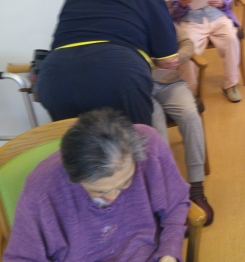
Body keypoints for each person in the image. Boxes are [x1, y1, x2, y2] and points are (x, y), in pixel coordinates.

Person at [4, 109, 190, 262]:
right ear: (75, 178)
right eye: (99, 191)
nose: (113, 198)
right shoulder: (41, 190)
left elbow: (175, 204)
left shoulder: (151, 145)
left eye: (125, 182)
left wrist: (169, 253)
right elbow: (21, 258)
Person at [38, 0, 178, 126]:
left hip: (55, 74)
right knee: (132, 141)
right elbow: (167, 59)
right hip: (118, 72)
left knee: (78, 143)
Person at [151, 25, 214, 225]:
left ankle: (196, 188)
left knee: (191, 117)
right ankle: (168, 193)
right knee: (157, 129)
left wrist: (177, 58)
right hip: (139, 86)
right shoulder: (121, 22)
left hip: (168, 81)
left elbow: (186, 42)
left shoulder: (159, 17)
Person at [169, 0, 242, 103]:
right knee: (187, 50)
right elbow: (173, 10)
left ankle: (230, 84)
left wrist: (221, 1)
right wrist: (181, 4)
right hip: (191, 21)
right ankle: (189, 90)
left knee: (231, 39)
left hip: (217, 17)